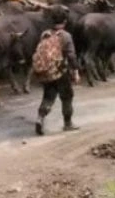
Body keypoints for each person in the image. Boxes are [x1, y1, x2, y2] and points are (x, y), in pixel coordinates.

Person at [31, 7, 80, 135]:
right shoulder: (66, 36)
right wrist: (76, 72)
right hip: (60, 72)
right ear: (64, 21)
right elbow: (71, 56)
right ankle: (68, 123)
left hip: (45, 72)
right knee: (67, 96)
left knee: (48, 97)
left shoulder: (45, 34)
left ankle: (40, 118)